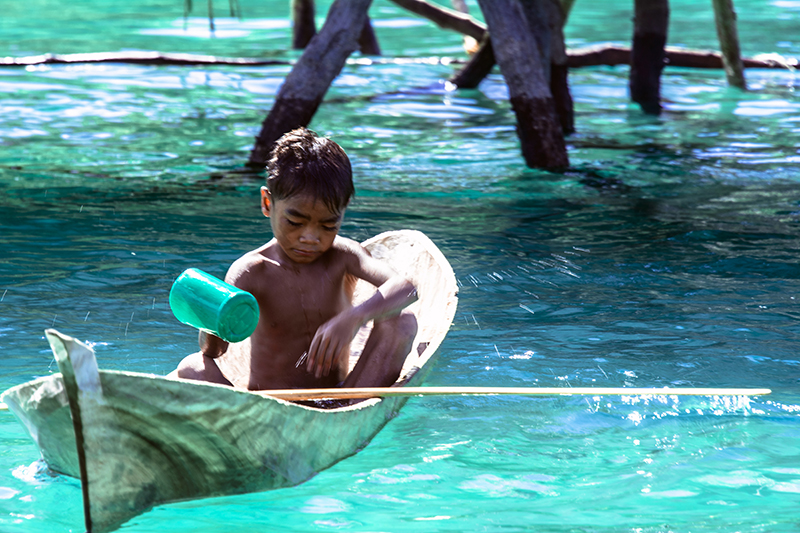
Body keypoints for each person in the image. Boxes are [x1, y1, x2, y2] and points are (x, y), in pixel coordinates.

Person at [170, 128, 418, 391]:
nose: (310, 237)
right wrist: (214, 315)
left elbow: (407, 287)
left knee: (401, 321)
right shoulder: (252, 271)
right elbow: (214, 351)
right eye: (295, 222)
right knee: (192, 367)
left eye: (328, 225)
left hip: (340, 396)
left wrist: (354, 318)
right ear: (267, 203)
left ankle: (354, 408)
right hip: (265, 404)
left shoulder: (344, 256)